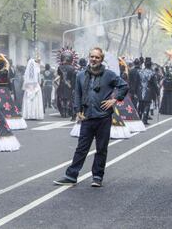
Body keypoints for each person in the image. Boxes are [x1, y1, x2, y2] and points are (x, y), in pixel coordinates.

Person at [54, 47, 128, 187]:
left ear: (101, 59)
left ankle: (97, 177)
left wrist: (115, 99)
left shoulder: (109, 75)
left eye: (97, 57)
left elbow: (124, 86)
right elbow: (77, 94)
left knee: (101, 148)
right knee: (81, 148)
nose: (94, 59)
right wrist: (77, 111)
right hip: (87, 117)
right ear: (89, 57)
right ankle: (71, 176)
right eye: (92, 56)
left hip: (103, 117)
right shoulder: (81, 75)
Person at [0, 54, 27, 130]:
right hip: (5, 92)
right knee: (8, 106)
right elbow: (7, 63)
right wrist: (3, 57)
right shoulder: (5, 72)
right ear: (4, 65)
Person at [137, 57, 160, 125]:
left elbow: (137, 82)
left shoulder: (140, 71)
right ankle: (144, 119)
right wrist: (158, 93)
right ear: (150, 65)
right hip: (148, 91)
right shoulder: (152, 73)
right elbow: (155, 84)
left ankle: (139, 117)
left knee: (140, 105)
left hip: (140, 90)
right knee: (147, 105)